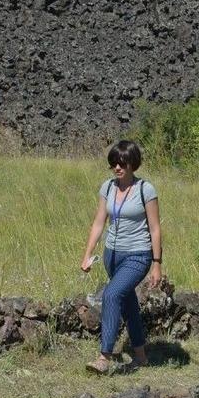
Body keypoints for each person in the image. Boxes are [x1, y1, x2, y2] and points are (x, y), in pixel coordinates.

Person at [80, 140, 163, 374]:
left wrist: (157, 264)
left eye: (122, 162)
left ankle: (103, 357)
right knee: (129, 305)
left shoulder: (145, 189)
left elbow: (155, 228)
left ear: (132, 163)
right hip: (111, 256)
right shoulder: (107, 187)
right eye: (113, 163)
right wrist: (87, 254)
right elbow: (98, 223)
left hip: (138, 255)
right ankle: (141, 356)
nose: (117, 167)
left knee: (112, 293)